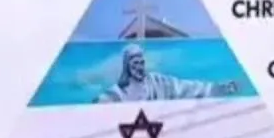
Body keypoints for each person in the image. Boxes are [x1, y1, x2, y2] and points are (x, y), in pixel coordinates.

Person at [97, 44, 238, 102]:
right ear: (127, 66)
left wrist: (219, 88)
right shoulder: (117, 93)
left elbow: (186, 88)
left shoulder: (157, 83)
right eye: (135, 64)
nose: (139, 67)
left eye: (142, 63)